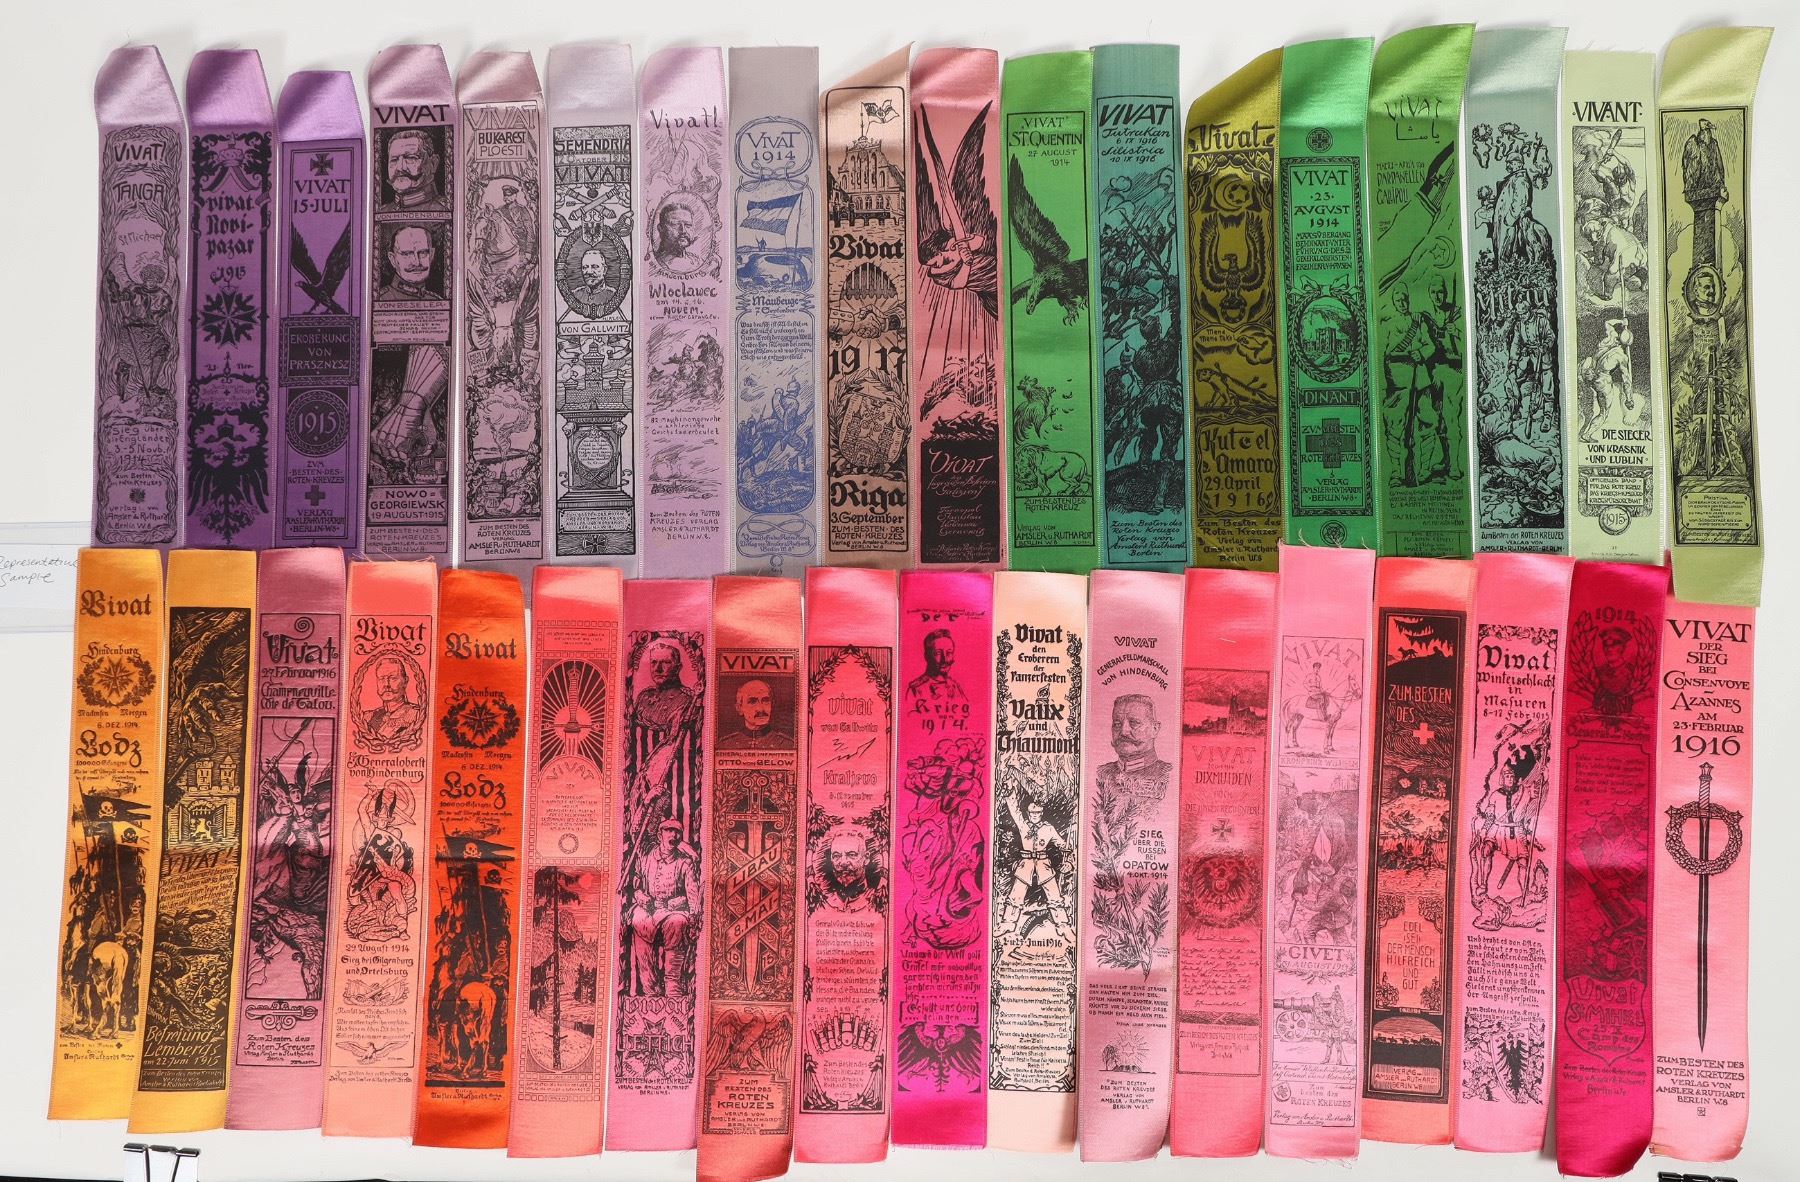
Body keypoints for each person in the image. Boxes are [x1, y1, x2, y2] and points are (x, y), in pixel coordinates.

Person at [625, 819, 699, 996]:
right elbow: (636, 886)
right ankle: (650, 988)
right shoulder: (646, 854)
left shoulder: (685, 862)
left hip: (673, 912)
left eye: (677, 832)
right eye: (669, 831)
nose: (673, 835)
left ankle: (673, 985)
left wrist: (691, 913)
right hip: (648, 910)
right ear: (660, 835)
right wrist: (640, 897)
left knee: (677, 922)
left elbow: (693, 895)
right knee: (637, 919)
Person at [998, 789, 1074, 943]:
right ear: (1028, 813)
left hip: (1043, 865)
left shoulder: (1048, 828)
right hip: (1025, 865)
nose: (1034, 815)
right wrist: (1010, 794)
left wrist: (1069, 863)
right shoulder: (1023, 825)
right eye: (1032, 813)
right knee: (1015, 896)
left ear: (1041, 814)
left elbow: (1064, 846)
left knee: (1055, 897)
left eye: (1037, 813)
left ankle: (1063, 927)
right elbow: (1015, 811)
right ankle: (1007, 924)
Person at [1095, 694, 1171, 794]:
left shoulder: (1168, 775)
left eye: (1134, 723)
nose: (1123, 731)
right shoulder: (1100, 773)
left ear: (1155, 729)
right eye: (1117, 724)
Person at [905, 629, 968, 727]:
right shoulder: (916, 689)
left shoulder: (955, 687)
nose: (945, 659)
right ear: (927, 656)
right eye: (938, 653)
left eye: (949, 653)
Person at [362, 654, 424, 745]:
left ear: (405, 681)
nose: (386, 684)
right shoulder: (368, 717)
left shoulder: (416, 714)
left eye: (393, 678)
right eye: (382, 679)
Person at [383, 128, 445, 211]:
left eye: (411, 158)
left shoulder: (444, 209)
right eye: (394, 160)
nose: (400, 168)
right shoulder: (383, 211)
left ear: (433, 163)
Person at [718, 678, 791, 749]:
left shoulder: (787, 744)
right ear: (739, 708)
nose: (760, 709)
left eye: (766, 700)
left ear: (772, 704)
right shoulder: (726, 745)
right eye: (752, 702)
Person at [820, 827, 878, 913]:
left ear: (866, 858)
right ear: (831, 859)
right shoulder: (825, 900)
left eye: (851, 855)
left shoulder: (878, 897)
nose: (843, 863)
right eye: (836, 856)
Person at [377, 226, 438, 301]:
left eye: (423, 252)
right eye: (407, 254)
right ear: (393, 259)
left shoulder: (435, 299)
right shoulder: (381, 298)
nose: (416, 263)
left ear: (431, 255)